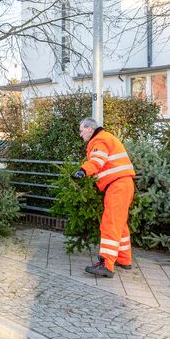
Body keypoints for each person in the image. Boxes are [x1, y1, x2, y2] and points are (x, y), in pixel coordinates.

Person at [71, 118, 136, 278]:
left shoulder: (99, 140)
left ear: (89, 129)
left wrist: (82, 171)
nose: (80, 135)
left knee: (110, 223)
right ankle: (124, 259)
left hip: (117, 186)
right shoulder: (107, 138)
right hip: (124, 184)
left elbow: (96, 161)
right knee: (120, 223)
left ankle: (107, 265)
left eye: (81, 131)